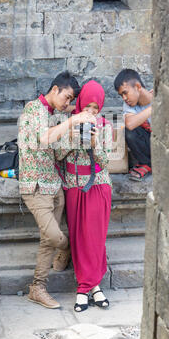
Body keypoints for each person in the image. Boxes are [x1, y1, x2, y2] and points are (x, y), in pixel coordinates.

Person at [17, 71, 96, 309]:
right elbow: (43, 139)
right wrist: (72, 121)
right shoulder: (33, 109)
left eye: (72, 101)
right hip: (35, 186)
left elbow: (57, 152)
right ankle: (71, 247)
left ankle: (37, 288)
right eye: (68, 97)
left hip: (55, 185)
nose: (68, 104)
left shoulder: (56, 116)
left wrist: (77, 138)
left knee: (46, 240)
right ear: (55, 90)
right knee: (53, 236)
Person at [55, 80, 113, 312]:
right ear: (79, 104)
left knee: (96, 237)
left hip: (98, 185)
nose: (90, 112)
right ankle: (88, 287)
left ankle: (90, 287)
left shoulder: (105, 126)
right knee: (79, 237)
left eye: (95, 109)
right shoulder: (66, 122)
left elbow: (107, 162)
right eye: (86, 107)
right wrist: (72, 136)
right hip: (74, 186)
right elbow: (58, 154)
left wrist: (94, 142)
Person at [114, 69, 153, 181]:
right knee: (128, 130)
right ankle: (146, 163)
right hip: (149, 144)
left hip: (166, 143)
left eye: (125, 93)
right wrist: (155, 106)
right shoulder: (129, 105)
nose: (124, 98)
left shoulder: (161, 95)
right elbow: (130, 124)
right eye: (121, 95)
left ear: (137, 86)